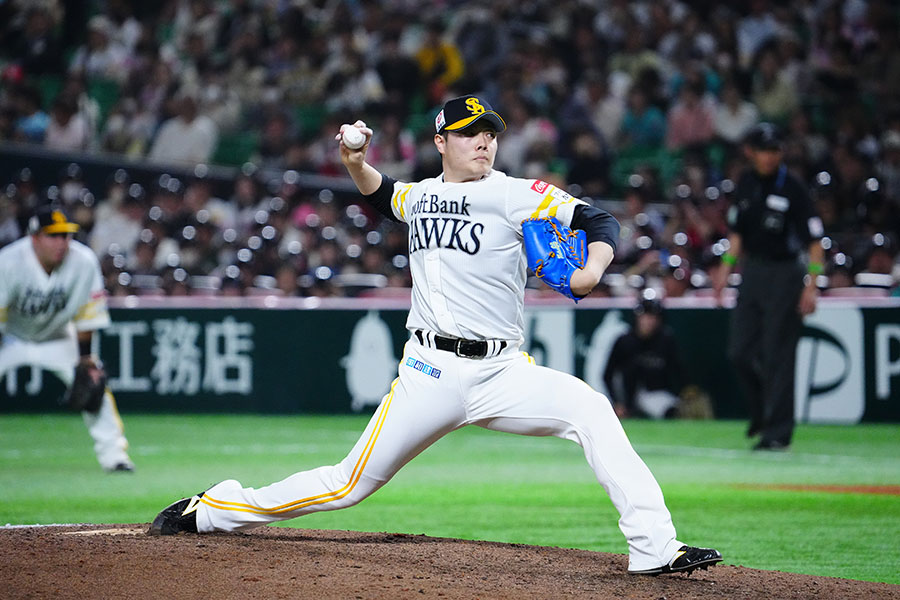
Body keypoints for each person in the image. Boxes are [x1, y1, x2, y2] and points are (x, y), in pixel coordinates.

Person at [149, 94, 721, 576]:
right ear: (441, 140)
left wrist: (591, 270)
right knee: (347, 485)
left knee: (591, 410)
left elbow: (599, 220)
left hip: (501, 371)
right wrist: (354, 160)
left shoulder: (514, 193)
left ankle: (654, 548)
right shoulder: (420, 195)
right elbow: (381, 194)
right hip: (429, 372)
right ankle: (215, 509)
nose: (484, 142)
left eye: (490, 133)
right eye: (470, 133)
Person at [712, 122, 825, 450]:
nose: (769, 156)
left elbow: (814, 242)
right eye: (764, 150)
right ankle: (763, 409)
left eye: (775, 150)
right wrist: (725, 271)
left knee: (779, 354)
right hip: (753, 271)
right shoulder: (746, 183)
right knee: (739, 352)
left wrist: (812, 285)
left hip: (785, 273)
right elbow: (737, 234)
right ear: (752, 152)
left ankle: (778, 433)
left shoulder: (794, 188)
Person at [0, 205, 134, 472]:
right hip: (10, 337)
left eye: (65, 235)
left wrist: (85, 360)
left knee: (94, 384)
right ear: (34, 238)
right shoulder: (8, 261)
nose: (61, 242)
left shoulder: (83, 261)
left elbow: (87, 315)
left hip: (58, 336)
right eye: (53, 235)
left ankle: (115, 456)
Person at [603, 296, 685, 419]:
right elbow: (608, 375)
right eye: (645, 316)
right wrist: (617, 403)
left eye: (653, 317)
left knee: (671, 410)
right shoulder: (624, 341)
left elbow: (678, 371)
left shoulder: (666, 340)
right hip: (627, 397)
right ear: (637, 317)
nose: (649, 321)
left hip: (658, 394)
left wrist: (684, 394)